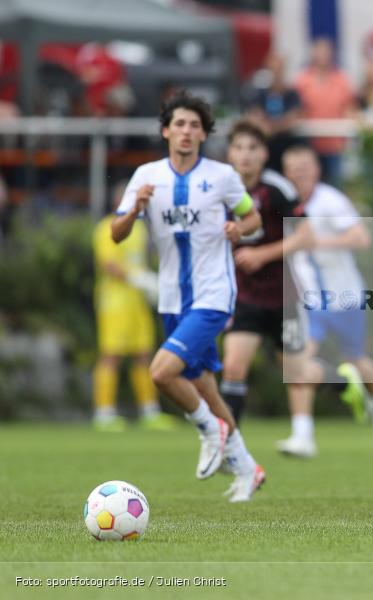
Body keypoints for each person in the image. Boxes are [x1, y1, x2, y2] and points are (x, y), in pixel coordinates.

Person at [110, 91, 267, 503]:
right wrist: (135, 209)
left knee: (162, 373)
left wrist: (241, 228)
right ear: (166, 130)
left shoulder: (221, 176)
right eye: (179, 124)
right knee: (205, 385)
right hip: (171, 299)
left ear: (203, 134)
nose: (186, 131)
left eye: (194, 125)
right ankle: (248, 468)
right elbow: (116, 233)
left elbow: (253, 215)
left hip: (213, 294)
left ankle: (207, 428)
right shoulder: (147, 176)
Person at [280, 145, 373, 457]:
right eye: (292, 168)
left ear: (316, 170)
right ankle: (302, 434)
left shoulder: (330, 201)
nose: (298, 173)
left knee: (358, 360)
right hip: (310, 301)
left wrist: (317, 242)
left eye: (304, 167)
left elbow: (362, 238)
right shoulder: (285, 204)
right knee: (297, 360)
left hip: (344, 296)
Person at [218, 119, 314, 431]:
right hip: (243, 295)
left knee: (296, 370)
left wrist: (262, 254)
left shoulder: (277, 189)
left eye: (253, 148)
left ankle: (304, 434)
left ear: (264, 155)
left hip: (283, 295)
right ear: (230, 153)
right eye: (239, 147)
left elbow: (305, 237)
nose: (245, 155)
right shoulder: (218, 189)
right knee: (233, 367)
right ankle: (230, 444)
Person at [92, 181, 177, 432]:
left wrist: (150, 281)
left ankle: (149, 412)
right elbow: (108, 264)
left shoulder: (140, 229)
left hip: (137, 300)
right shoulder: (105, 227)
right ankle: (104, 413)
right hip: (114, 301)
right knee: (111, 355)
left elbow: (140, 261)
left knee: (143, 354)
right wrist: (137, 279)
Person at [294, 38, 356, 187]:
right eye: (320, 52)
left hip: (335, 145)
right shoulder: (302, 80)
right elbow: (298, 110)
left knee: (335, 184)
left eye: (326, 52)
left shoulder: (342, 79)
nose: (323, 56)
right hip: (310, 144)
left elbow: (349, 107)